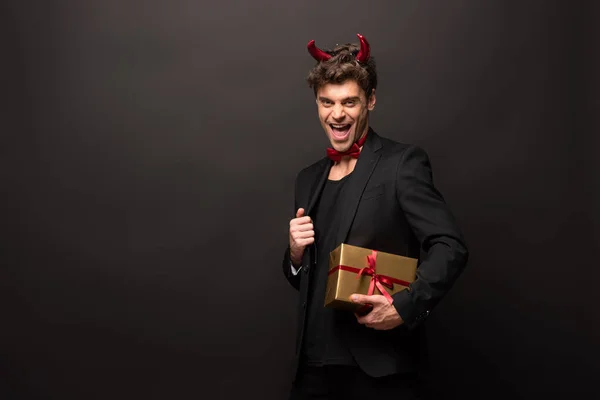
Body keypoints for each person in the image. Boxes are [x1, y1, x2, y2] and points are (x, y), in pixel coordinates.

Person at [282, 33, 469, 399]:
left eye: (349, 102)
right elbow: (305, 279)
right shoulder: (308, 179)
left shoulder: (402, 164)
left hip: (378, 373)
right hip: (312, 369)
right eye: (327, 102)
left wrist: (404, 306)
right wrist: (294, 255)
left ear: (370, 100)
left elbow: (451, 246)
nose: (337, 114)